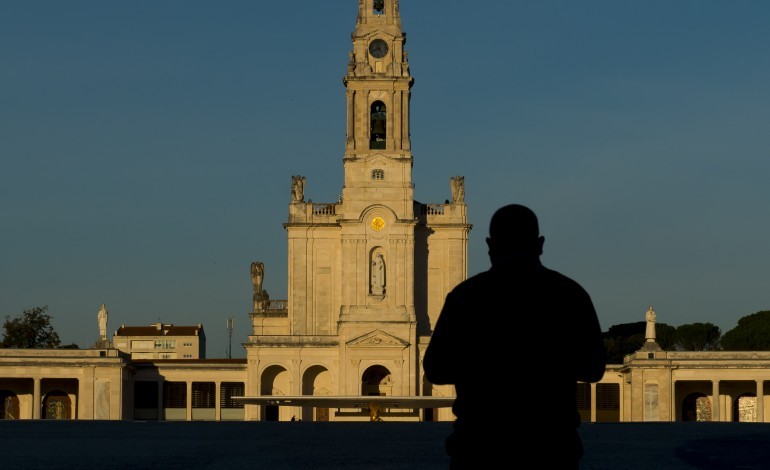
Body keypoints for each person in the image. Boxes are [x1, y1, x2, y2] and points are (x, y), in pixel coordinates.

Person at [423, 204, 606, 469]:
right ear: (539, 244)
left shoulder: (466, 297)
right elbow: (594, 369)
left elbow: (436, 369)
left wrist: (482, 365)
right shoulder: (571, 295)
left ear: (490, 245)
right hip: (551, 450)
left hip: (479, 449)